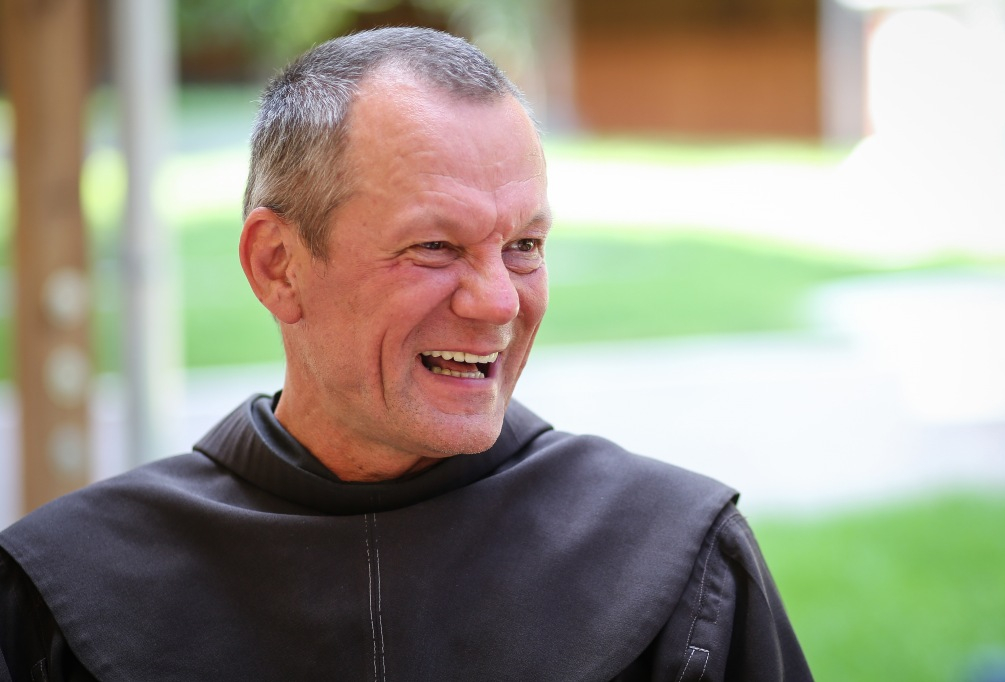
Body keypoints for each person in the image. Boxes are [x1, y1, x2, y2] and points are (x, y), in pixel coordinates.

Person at [0, 27, 813, 681]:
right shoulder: (66, 592)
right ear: (278, 266)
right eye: (435, 246)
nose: (499, 301)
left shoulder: (677, 560)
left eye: (525, 245)